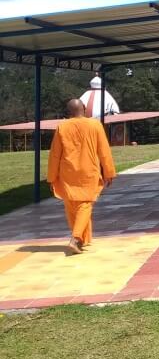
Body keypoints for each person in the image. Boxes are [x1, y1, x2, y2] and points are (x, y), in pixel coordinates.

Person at [47, 99, 116, 254]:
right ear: (84, 108)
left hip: (68, 172)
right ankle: (76, 238)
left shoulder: (62, 127)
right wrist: (109, 171)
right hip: (88, 171)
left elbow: (55, 155)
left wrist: (52, 177)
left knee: (71, 205)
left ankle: (82, 240)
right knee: (85, 204)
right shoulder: (95, 125)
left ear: (68, 112)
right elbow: (104, 151)